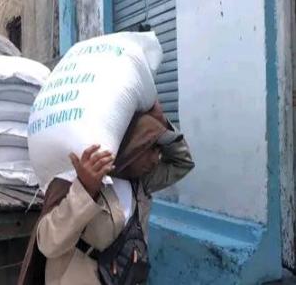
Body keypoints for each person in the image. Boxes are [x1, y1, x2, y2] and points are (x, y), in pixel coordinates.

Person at [18, 101, 195, 285]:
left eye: (159, 150)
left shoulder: (140, 181)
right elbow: (48, 244)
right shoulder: (73, 178)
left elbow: (183, 162)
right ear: (131, 145)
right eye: (150, 148)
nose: (156, 158)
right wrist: (86, 190)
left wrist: (162, 121)